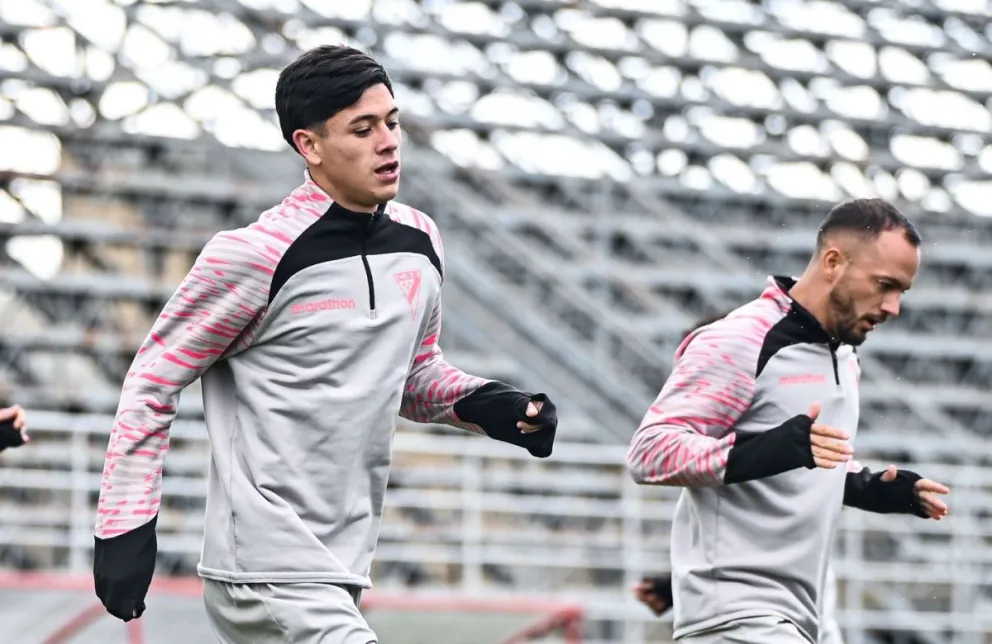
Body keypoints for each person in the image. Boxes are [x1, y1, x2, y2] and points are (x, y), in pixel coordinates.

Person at [92, 45, 559, 643]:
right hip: (262, 567)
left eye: (392, 122)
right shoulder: (253, 256)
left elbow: (412, 376)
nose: (388, 142)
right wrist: (125, 526)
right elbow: (153, 380)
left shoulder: (420, 241)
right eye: (362, 130)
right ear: (308, 146)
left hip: (342, 563)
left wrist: (493, 405)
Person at [625, 198, 950, 644]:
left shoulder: (844, 356)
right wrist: (773, 448)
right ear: (833, 262)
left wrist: (868, 487)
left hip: (797, 619)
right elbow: (649, 453)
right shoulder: (743, 339)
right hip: (736, 618)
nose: (893, 306)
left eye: (901, 292)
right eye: (884, 285)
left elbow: (795, 457)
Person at [632, 316, 845, 644]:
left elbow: (646, 457)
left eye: (701, 365)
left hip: (769, 619)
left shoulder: (775, 441)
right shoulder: (724, 451)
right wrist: (676, 588)